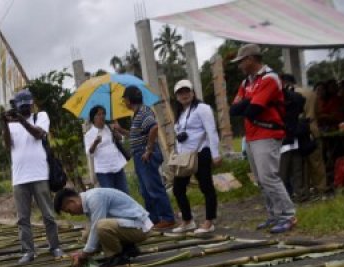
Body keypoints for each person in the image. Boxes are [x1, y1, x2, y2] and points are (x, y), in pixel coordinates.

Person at [229, 43, 297, 234]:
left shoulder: (270, 78)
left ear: (250, 59)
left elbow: (252, 111)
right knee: (260, 179)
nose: (239, 66)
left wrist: (247, 102)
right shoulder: (246, 82)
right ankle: (274, 214)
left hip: (267, 133)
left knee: (269, 177)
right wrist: (251, 101)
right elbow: (234, 110)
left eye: (241, 61)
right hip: (251, 135)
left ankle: (288, 215)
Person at [0, 88, 63, 264]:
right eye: (21, 107)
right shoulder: (11, 124)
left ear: (32, 104)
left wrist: (21, 121)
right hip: (19, 178)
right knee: (22, 218)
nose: (24, 110)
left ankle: (55, 246)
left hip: (40, 173)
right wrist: (4, 123)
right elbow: (6, 145)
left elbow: (39, 134)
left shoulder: (40, 117)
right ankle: (28, 251)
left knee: (48, 215)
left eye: (27, 106)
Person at [112, 86, 176, 230]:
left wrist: (148, 149)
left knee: (153, 187)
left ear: (129, 99)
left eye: (124, 99)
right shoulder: (137, 114)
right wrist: (121, 129)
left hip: (145, 155)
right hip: (140, 155)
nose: (124, 102)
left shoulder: (143, 111)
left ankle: (167, 217)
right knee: (145, 190)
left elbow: (153, 128)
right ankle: (153, 218)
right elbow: (136, 136)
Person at [54, 187, 152, 267]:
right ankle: (127, 248)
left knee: (101, 226)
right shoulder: (89, 200)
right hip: (129, 226)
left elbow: (97, 228)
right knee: (86, 235)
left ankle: (115, 257)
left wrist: (84, 254)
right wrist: (84, 252)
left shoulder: (94, 198)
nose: (71, 214)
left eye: (69, 210)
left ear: (72, 201)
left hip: (140, 228)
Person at [171, 80, 221, 234]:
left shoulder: (202, 108)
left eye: (187, 91)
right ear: (177, 96)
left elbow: (211, 131)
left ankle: (209, 221)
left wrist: (216, 154)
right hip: (184, 156)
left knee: (206, 187)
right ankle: (187, 220)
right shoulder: (180, 113)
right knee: (178, 188)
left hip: (201, 152)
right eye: (180, 92)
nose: (184, 95)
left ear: (193, 92)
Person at [84, 105, 129, 194]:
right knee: (111, 196)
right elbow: (89, 153)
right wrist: (95, 143)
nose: (102, 116)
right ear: (94, 118)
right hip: (103, 170)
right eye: (99, 114)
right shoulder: (89, 134)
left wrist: (117, 134)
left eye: (103, 114)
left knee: (124, 194)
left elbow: (121, 140)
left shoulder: (109, 128)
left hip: (117, 166)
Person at [278, 74, 309, 202]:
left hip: (283, 140)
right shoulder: (295, 98)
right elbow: (301, 102)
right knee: (296, 170)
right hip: (294, 138)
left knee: (282, 173)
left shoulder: (278, 100)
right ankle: (300, 194)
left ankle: (284, 197)